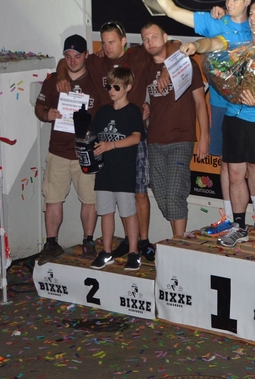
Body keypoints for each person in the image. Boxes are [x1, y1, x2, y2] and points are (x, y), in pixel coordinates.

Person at [144, 0, 255, 231]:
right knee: (227, 165)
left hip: (254, 106)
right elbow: (172, 11)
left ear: (247, 2)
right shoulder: (215, 22)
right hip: (222, 106)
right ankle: (231, 219)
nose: (229, 4)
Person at [56, 21, 178, 263]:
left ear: (124, 41)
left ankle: (142, 243)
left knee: (138, 193)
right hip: (107, 136)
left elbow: (174, 44)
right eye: (104, 42)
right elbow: (64, 61)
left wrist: (166, 69)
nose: (107, 47)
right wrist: (61, 77)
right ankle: (122, 245)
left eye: (112, 42)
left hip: (133, 132)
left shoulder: (138, 54)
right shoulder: (97, 61)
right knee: (110, 199)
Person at [181, 0, 255, 249]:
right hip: (233, 118)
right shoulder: (237, 45)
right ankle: (239, 227)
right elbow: (212, 47)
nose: (253, 18)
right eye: (251, 14)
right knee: (234, 175)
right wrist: (199, 48)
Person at [35, 35, 103, 265]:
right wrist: (47, 114)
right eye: (68, 56)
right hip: (59, 150)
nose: (73, 61)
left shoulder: (95, 79)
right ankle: (51, 243)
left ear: (86, 55)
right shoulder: (54, 80)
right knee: (53, 199)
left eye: (77, 56)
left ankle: (89, 241)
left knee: (90, 199)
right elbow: (39, 107)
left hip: (87, 151)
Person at [141, 22, 209, 238]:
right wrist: (144, 111)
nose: (150, 42)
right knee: (162, 198)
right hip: (154, 140)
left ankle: (178, 245)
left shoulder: (186, 64)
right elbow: (144, 102)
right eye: (145, 39)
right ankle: (179, 242)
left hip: (181, 139)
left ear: (165, 37)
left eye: (154, 37)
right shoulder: (144, 68)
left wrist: (204, 136)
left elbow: (200, 103)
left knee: (174, 196)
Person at [87, 68, 145, 271]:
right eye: (109, 86)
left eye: (116, 87)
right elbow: (91, 135)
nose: (111, 90)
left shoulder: (133, 111)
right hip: (104, 171)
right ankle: (106, 251)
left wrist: (110, 145)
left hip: (124, 171)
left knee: (128, 212)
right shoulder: (103, 111)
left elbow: (136, 137)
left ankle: (134, 252)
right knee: (106, 212)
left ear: (128, 87)